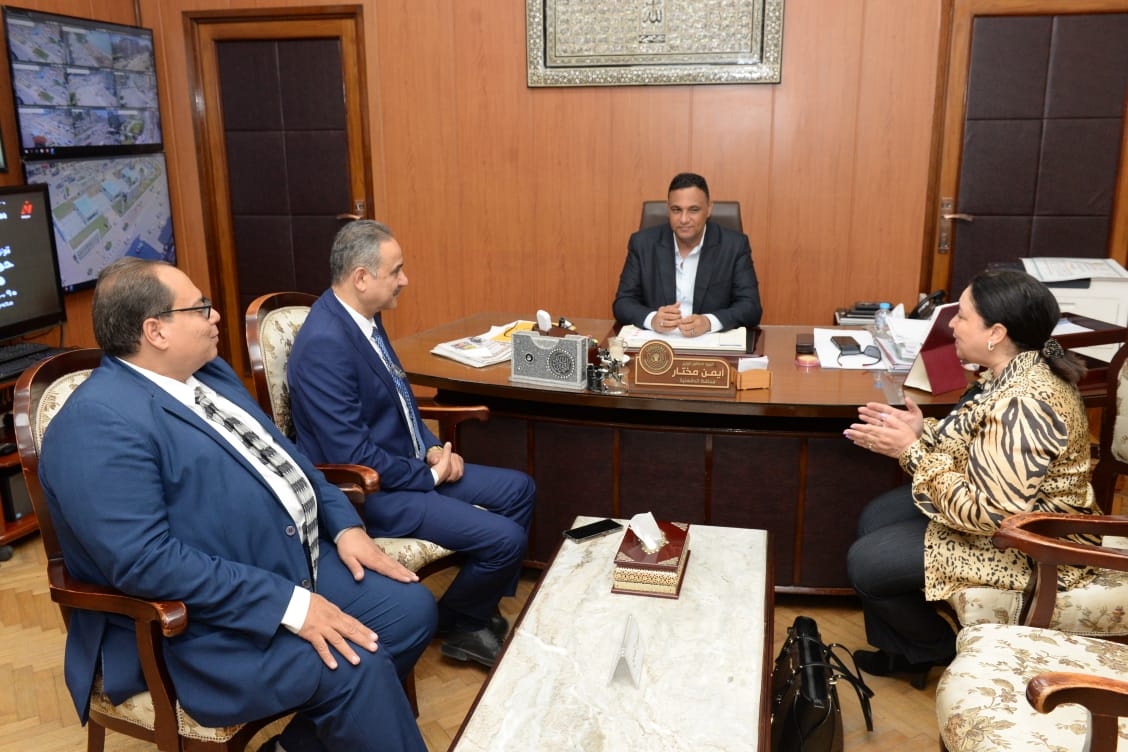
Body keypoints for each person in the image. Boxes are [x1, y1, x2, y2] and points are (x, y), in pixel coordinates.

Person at [38, 258, 436, 752]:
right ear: (155, 331)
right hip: (198, 624)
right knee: (357, 663)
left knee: (411, 611)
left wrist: (344, 524)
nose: (216, 316)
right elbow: (145, 562)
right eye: (200, 307)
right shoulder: (94, 424)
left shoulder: (208, 372)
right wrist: (291, 605)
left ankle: (295, 747)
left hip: (284, 559)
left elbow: (287, 458)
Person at [288, 220, 536, 669]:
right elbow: (351, 456)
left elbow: (401, 399)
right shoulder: (325, 343)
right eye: (396, 271)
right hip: (369, 492)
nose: (405, 280)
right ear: (361, 278)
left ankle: (474, 612)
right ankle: (460, 623)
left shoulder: (364, 317)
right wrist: (429, 474)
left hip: (406, 466)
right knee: (506, 539)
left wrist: (432, 446)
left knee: (520, 489)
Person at [843, 269, 1098, 686]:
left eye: (962, 316)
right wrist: (920, 430)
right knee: (876, 516)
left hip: (1034, 542)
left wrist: (909, 451)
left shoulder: (1024, 403)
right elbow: (974, 438)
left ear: (996, 333)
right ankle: (904, 652)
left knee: (867, 564)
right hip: (1002, 512)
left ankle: (934, 647)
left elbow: (989, 514)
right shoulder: (1012, 368)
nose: (952, 326)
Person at [612, 172, 762, 336]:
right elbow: (623, 303)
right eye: (676, 210)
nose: (684, 219)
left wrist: (709, 322)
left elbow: (751, 307)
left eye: (693, 210)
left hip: (709, 341)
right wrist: (652, 319)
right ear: (668, 209)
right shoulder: (642, 244)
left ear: (709, 209)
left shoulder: (734, 246)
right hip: (658, 343)